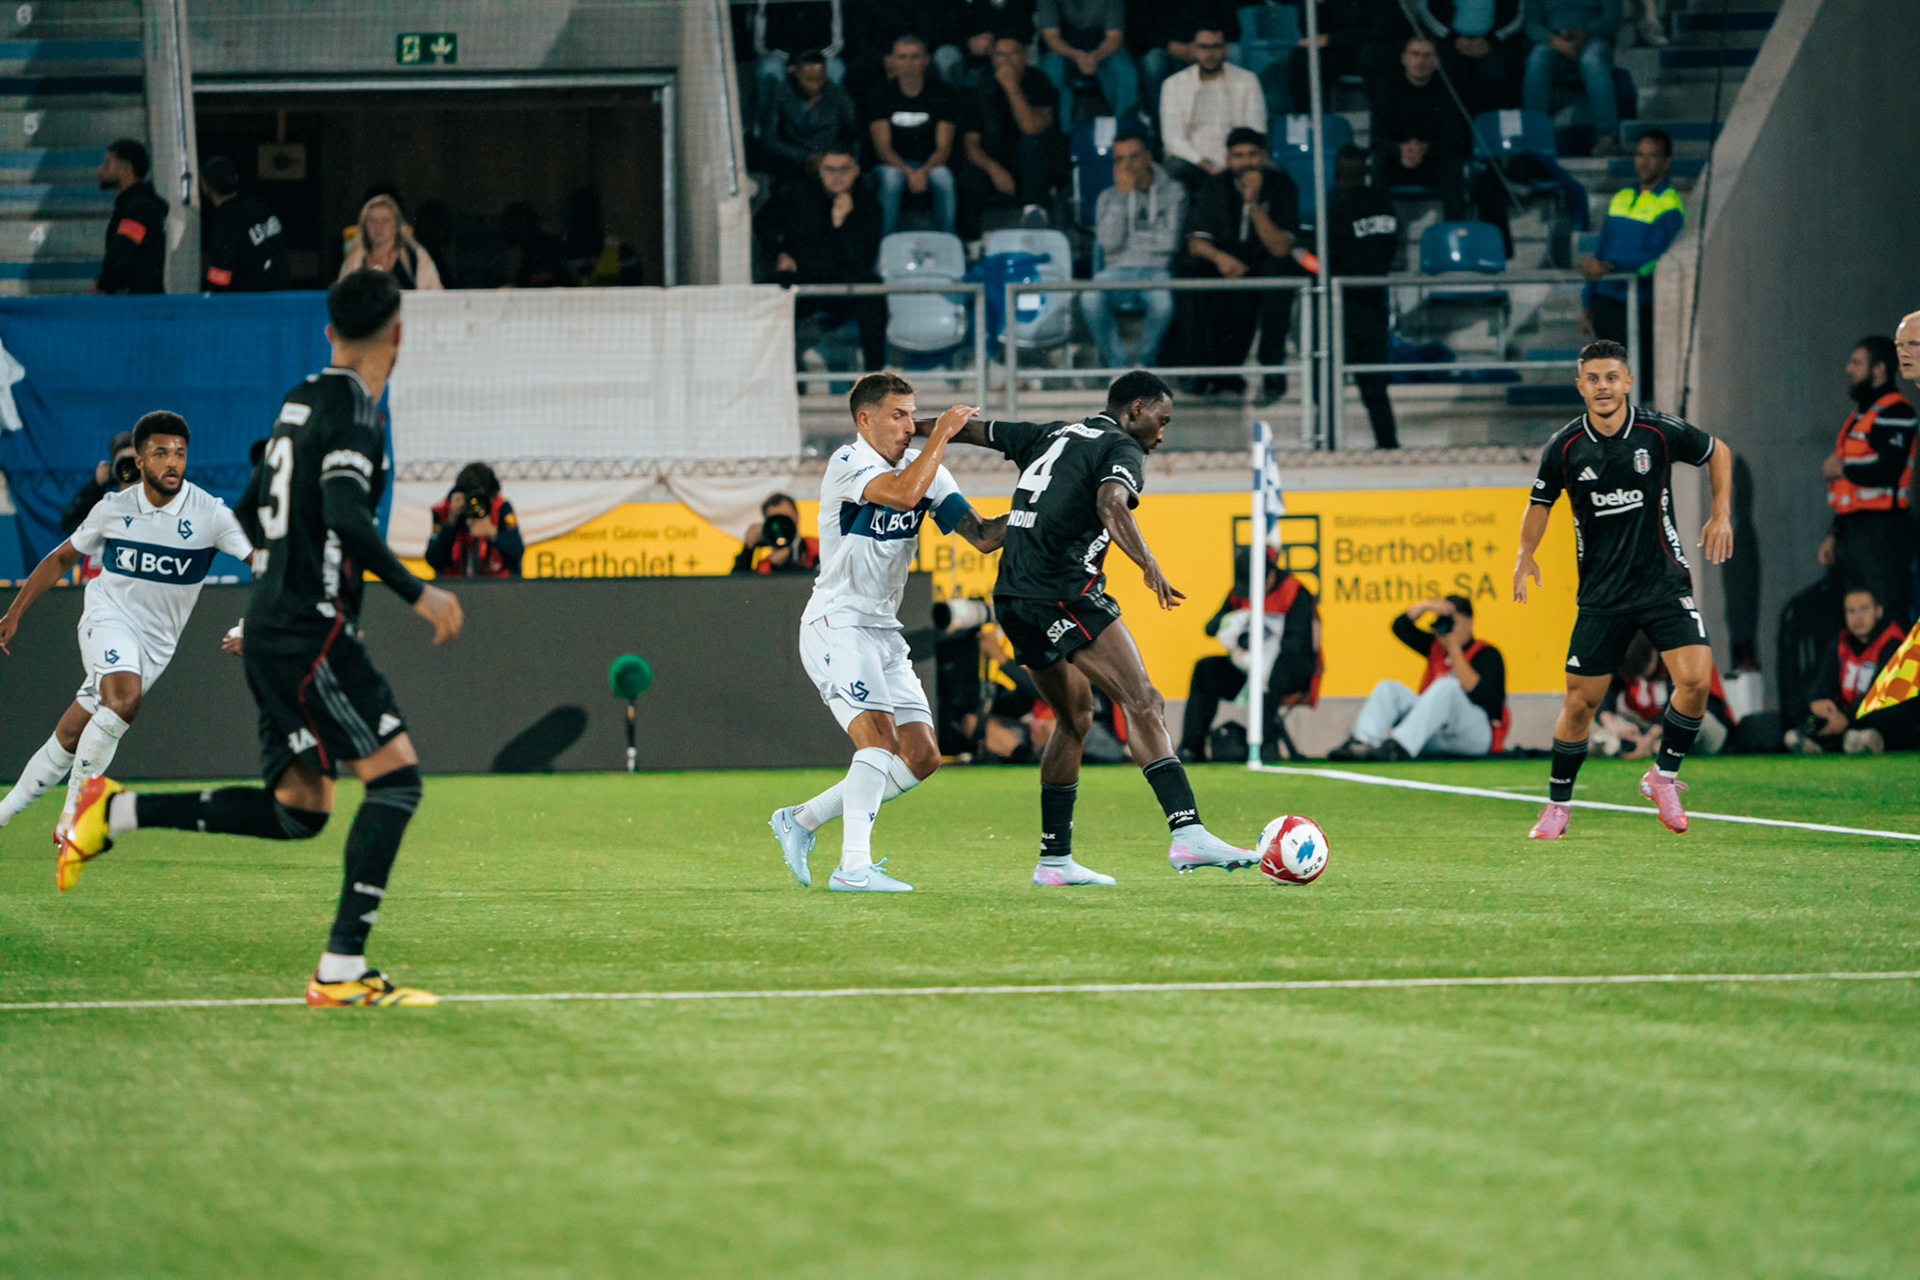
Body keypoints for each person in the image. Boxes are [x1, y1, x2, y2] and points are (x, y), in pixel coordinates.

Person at [58, 270, 466, 1008]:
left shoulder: (301, 397)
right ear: (399, 334)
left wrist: (265, 608)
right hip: (311, 629)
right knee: (397, 781)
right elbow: (344, 512)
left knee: (299, 809)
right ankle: (340, 970)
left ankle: (112, 811)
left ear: (329, 331)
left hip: (280, 624)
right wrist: (419, 591)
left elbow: (248, 506)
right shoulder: (356, 409)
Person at [923, 370, 1256, 884]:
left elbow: (971, 430)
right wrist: (1148, 562)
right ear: (1137, 409)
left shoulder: (1050, 433)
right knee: (1143, 699)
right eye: (1162, 420)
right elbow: (1110, 503)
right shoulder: (1122, 447)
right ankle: (1187, 832)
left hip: (1012, 595)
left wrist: (906, 430)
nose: (1162, 433)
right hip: (1062, 589)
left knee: (1075, 717)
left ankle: (1054, 861)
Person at [767, 374, 1005, 892]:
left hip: (883, 632)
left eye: (913, 414)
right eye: (898, 415)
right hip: (837, 623)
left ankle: (801, 820)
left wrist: (1041, 513)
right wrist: (941, 435)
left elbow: (985, 536)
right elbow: (901, 495)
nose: (909, 425)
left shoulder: (927, 471)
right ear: (864, 419)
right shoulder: (849, 462)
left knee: (921, 757)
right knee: (877, 741)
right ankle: (852, 868)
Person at [1514, 338, 1734, 839]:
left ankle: (1663, 776)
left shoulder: (1658, 431)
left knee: (1696, 679)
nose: (1603, 387)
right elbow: (1540, 502)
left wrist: (1720, 512)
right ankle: (1557, 806)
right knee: (1580, 704)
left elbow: (1717, 450)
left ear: (1628, 382)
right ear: (1580, 386)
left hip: (1662, 583)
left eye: (1611, 377)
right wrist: (1526, 554)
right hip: (1602, 595)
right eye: (1593, 379)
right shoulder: (1565, 446)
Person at [0, 412, 253, 840]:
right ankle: (74, 818)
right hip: (107, 617)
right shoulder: (113, 508)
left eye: (180, 454)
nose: (172, 463)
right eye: (161, 453)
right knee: (123, 700)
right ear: (139, 461)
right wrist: (14, 613)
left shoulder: (210, 515)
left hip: (156, 646)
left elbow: (265, 565)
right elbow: (61, 558)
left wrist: (256, 625)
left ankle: (2, 813)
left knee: (71, 733)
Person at [1176, 127, 1301, 401]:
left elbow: (1280, 247)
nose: (1246, 162)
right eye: (1238, 155)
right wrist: (1220, 258)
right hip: (1226, 259)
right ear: (1228, 159)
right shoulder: (1215, 186)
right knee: (1190, 269)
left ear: (1264, 156)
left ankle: (1272, 369)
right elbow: (1196, 241)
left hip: (1264, 260)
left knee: (1281, 270)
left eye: (1252, 155)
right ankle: (1200, 370)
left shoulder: (1282, 185)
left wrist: (1253, 203)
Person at [1370, 34, 1513, 253]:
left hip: (1434, 162)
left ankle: (1453, 244)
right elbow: (1377, 138)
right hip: (1398, 162)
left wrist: (1425, 149)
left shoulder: (1449, 89)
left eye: (1427, 55)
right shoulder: (1386, 88)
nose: (1421, 61)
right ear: (1404, 59)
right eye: (1415, 54)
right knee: (1378, 163)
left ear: (1436, 61)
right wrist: (1401, 149)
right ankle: (1381, 248)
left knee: (1454, 164)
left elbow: (1457, 138)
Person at [756, 144, 889, 372]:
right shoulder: (796, 194)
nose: (837, 176)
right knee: (769, 291)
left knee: (873, 290)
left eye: (843, 169)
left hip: (844, 281)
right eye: (830, 169)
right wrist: (779, 253)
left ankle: (874, 375)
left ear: (856, 170)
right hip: (804, 277)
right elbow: (763, 222)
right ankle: (784, 371)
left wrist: (841, 222)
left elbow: (862, 259)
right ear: (819, 170)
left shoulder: (868, 204)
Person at [1178, 547, 1318, 761]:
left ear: (1270, 574)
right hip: (1248, 667)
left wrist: (1259, 639)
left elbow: (1297, 645)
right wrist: (1228, 627)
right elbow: (1212, 627)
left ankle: (1265, 743)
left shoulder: (1295, 592)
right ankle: (1191, 747)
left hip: (1289, 669)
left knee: (1275, 672)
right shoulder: (1239, 592)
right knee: (1205, 669)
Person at [1330, 595, 1506, 759]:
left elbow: (1491, 703)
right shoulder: (1435, 647)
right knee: (1388, 687)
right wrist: (1426, 606)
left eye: (1453, 621)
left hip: (1472, 736)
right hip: (1431, 734)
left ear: (1469, 622)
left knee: (1447, 686)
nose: (1448, 628)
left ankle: (1398, 747)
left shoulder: (1487, 654)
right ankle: (1362, 742)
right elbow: (1400, 627)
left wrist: (1454, 650)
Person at [1817, 336, 1916, 625]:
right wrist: (1835, 533)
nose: (1849, 369)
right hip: (1854, 529)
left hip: (1883, 530)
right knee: (1857, 614)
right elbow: (1849, 493)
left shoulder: (1896, 411)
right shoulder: (1861, 415)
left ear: (1879, 369)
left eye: (1857, 362)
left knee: (1886, 612)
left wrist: (1843, 469)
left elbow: (1888, 469)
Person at [1580, 129, 1680, 399]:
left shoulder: (1670, 205)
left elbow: (1654, 259)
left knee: (1635, 385)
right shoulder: (1622, 196)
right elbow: (1601, 250)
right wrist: (1587, 301)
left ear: (1666, 162)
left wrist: (1613, 267)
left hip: (1638, 304)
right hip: (1606, 301)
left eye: (1652, 156)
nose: (1644, 162)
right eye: (1640, 155)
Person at [1079, 130, 1184, 369]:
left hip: (1157, 272)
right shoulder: (1108, 197)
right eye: (1120, 159)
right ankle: (1118, 366)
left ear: (1148, 157)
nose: (1127, 165)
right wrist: (1122, 198)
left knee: (1162, 304)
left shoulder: (1173, 192)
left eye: (1134, 156)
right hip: (1116, 273)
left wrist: (1129, 244)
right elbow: (1109, 244)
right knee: (1089, 298)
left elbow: (1170, 243)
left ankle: (1143, 363)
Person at [1322, 144, 1401, 448]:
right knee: (1369, 384)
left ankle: (1330, 445)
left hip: (1348, 302)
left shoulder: (1337, 204)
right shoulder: (1383, 201)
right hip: (1368, 300)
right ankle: (1386, 444)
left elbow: (1327, 257)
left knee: (1349, 381)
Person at [957, 33, 1064, 239]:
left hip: (1032, 163)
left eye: (1013, 54)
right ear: (992, 59)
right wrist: (994, 169)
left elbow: (1031, 127)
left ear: (1025, 57)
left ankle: (1034, 215)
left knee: (1032, 144)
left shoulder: (1039, 82)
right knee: (970, 174)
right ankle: (971, 242)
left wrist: (1011, 87)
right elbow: (971, 143)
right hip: (995, 160)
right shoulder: (980, 86)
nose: (1006, 61)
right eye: (1000, 54)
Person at [1790, 586, 1920, 755]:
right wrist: (1817, 700)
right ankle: (1822, 735)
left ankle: (1840, 741)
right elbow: (1824, 679)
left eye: (1864, 609)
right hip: (1844, 715)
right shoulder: (1840, 642)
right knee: (1800, 706)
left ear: (1878, 611)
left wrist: (1846, 717)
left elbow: (1881, 692)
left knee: (1889, 711)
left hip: (1872, 714)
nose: (1858, 617)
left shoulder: (1894, 642)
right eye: (1851, 611)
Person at [867, 34, 961, 234]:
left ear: (926, 60)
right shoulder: (879, 94)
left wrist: (923, 171)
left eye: (915, 57)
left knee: (944, 177)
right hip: (892, 165)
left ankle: (946, 240)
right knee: (891, 179)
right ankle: (884, 243)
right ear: (892, 61)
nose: (908, 63)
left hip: (930, 164)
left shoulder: (943, 93)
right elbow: (882, 147)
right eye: (902, 57)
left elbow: (944, 147)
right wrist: (909, 173)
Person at [1591, 630, 1735, 759]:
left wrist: (1651, 737)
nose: (1639, 680)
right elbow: (1605, 695)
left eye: (1642, 671)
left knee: (1693, 718)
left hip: (1701, 727)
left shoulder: (1682, 658)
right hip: (1656, 728)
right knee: (1588, 718)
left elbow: (1685, 703)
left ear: (1654, 653)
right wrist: (1610, 723)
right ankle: (1630, 746)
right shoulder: (1624, 657)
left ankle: (1661, 747)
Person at [1157, 25, 1268, 189]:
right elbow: (1173, 141)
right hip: (1194, 163)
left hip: (1238, 161)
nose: (1210, 54)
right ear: (1193, 49)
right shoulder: (1173, 84)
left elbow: (1256, 130)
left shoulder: (1247, 80)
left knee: (1274, 171)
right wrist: (1207, 165)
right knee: (1173, 169)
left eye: (1216, 47)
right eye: (1204, 47)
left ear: (1225, 49)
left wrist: (1235, 162)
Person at [1522, 0, 1622, 156]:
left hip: (1593, 39)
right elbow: (1531, 23)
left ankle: (1607, 137)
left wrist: (1585, 33)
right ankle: (1533, 136)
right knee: (1537, 60)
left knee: (1592, 61)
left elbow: (1612, 18)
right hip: (1553, 41)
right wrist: (1553, 40)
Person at [757, 48, 860, 186]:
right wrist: (806, 157)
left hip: (831, 164)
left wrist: (835, 159)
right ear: (796, 74)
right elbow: (770, 139)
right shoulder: (780, 94)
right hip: (792, 164)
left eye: (820, 79)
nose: (815, 86)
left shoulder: (838, 96)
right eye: (809, 80)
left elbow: (853, 133)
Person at [1132, 2, 1241, 129]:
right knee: (1153, 63)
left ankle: (1235, 126)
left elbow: (1230, 25)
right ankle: (1162, 127)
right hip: (1167, 47)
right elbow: (1140, 29)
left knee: (1234, 52)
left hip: (1207, 43)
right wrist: (1170, 45)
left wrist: (1203, 45)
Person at [1036, 0, 1139, 127]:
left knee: (1125, 74)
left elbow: (1114, 36)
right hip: (1062, 48)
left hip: (1103, 46)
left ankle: (1124, 130)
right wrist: (1077, 56)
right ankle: (1059, 131)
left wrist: (1094, 57)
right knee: (1052, 72)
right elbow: (1051, 36)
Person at [1415, 0, 1524, 114]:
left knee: (1498, 77)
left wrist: (1492, 39)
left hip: (1493, 40)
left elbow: (1519, 15)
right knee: (1442, 76)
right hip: (1448, 38)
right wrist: (1452, 38)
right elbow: (1424, 9)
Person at [198, 155, 289, 292]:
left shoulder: (227, 222)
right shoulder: (259, 208)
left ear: (205, 186)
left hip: (251, 300)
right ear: (236, 178)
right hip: (280, 294)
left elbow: (219, 277)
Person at [94, 139, 167, 295]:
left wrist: (103, 284)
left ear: (127, 169)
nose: (99, 170)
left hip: (137, 301)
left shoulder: (138, 208)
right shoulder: (133, 205)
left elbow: (122, 249)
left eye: (107, 164)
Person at [426, 462, 524, 578]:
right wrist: (450, 523)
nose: (476, 506)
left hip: (497, 584)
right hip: (454, 584)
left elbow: (517, 552)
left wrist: (493, 534)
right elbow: (434, 560)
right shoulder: (444, 511)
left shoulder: (502, 508)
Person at [338, 194, 444, 290]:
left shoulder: (416, 257)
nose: (379, 227)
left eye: (386, 220)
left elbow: (434, 295)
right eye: (373, 221)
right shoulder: (354, 262)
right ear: (364, 226)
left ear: (397, 225)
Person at [61, 430, 138, 537]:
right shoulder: (105, 507)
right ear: (113, 469)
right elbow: (70, 523)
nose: (131, 469)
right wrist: (96, 486)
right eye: (124, 464)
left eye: (136, 462)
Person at [732, 492, 822, 574]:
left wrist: (786, 565)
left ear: (797, 516)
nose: (782, 526)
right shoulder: (764, 566)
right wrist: (747, 552)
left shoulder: (819, 549)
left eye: (786, 520)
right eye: (776, 522)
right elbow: (735, 584)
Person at [500, 201, 570, 288]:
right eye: (511, 222)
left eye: (519, 222)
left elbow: (559, 276)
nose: (514, 227)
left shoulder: (546, 247)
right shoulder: (499, 250)